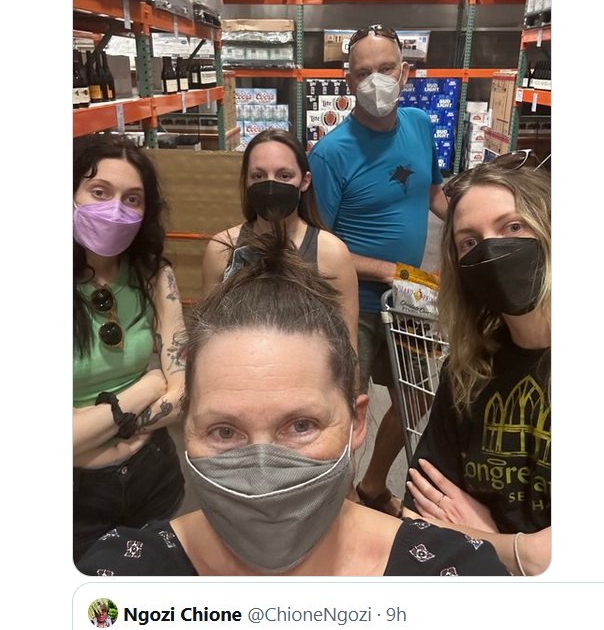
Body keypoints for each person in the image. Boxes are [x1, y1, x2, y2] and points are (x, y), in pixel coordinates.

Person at [78, 235, 508, 577]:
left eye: (301, 425)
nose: (263, 474)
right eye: (224, 431)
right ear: (185, 427)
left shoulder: (455, 577)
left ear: (358, 422)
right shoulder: (118, 579)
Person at [308, 24, 448, 515]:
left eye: (386, 68)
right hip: (354, 306)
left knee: (417, 396)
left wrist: (475, 226)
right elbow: (317, 245)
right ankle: (339, 505)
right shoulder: (330, 154)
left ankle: (370, 486)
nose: (376, 81)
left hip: (410, 298)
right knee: (346, 409)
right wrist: (387, 270)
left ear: (405, 72)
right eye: (363, 72)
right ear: (348, 81)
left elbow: (434, 192)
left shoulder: (420, 125)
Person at [404, 155, 551, 576]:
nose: (490, 249)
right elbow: (420, 511)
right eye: (469, 242)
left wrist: (488, 540)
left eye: (513, 227)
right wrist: (523, 551)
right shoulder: (468, 370)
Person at [73, 135, 186, 563]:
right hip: (76, 498)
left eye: (132, 199)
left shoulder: (154, 274)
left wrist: (93, 426)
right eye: (99, 192)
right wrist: (147, 387)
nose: (115, 209)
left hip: (153, 474)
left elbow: (182, 392)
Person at [201, 128, 358, 349]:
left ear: (305, 181)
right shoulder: (221, 249)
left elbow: (348, 347)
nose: (270, 186)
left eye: (284, 176)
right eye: (258, 176)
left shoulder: (332, 253)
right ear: (246, 182)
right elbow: (206, 338)